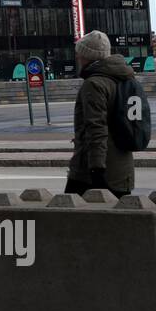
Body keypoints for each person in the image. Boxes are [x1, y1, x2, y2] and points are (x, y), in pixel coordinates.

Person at [66, 30, 136, 197]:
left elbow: (96, 128)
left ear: (88, 56)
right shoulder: (124, 79)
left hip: (93, 170)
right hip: (123, 168)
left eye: (80, 53)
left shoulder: (94, 84)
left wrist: (96, 170)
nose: (77, 57)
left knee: (66, 216)